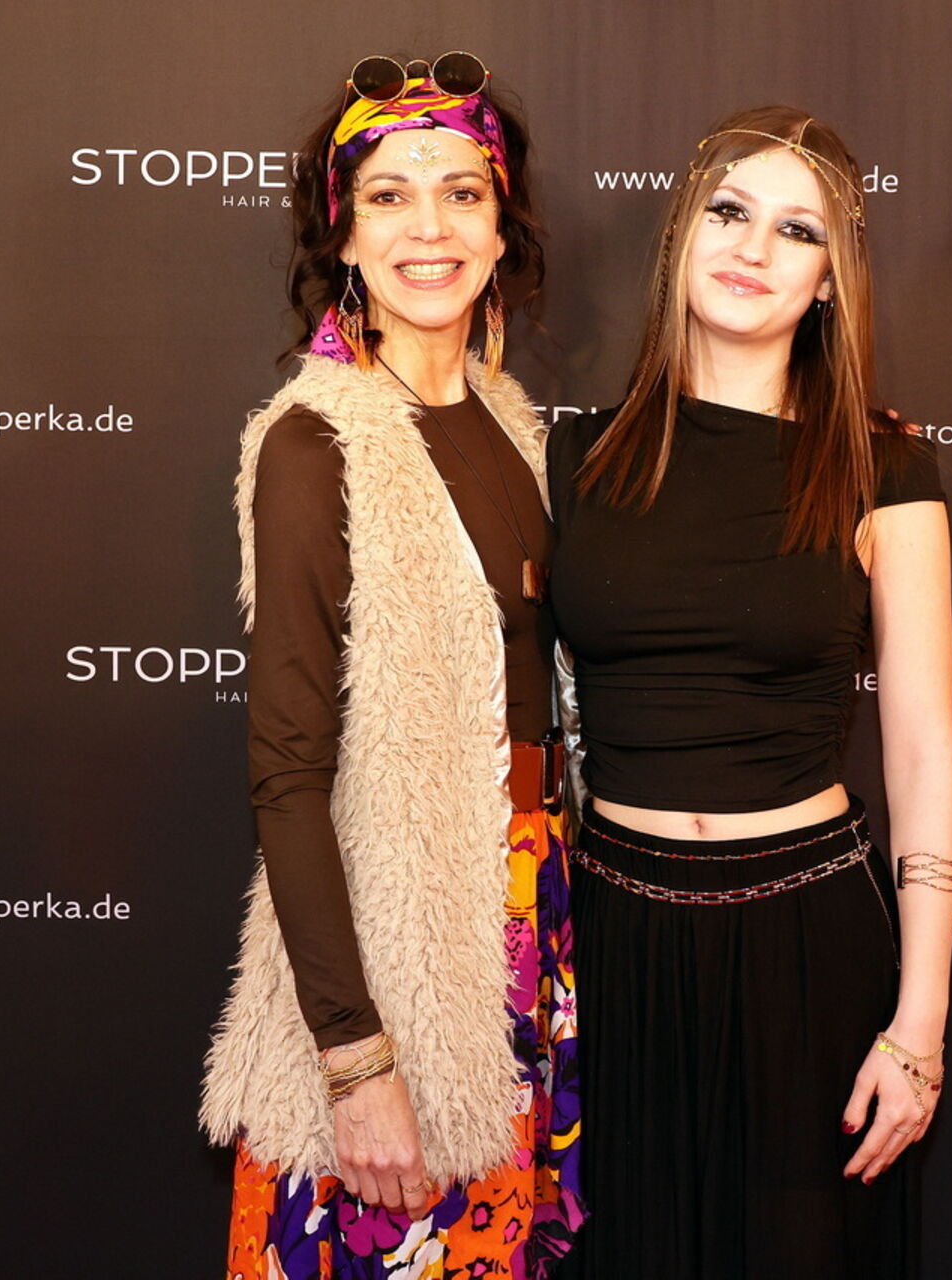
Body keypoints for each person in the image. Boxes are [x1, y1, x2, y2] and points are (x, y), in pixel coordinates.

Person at [546, 105, 952, 1279]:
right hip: (611, 944)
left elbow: (924, 750)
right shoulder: (569, 457)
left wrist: (920, 1026)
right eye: (729, 211)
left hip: (807, 946)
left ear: (831, 282)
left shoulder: (886, 465)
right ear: (682, 232)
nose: (753, 247)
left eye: (798, 230)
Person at [199, 53, 582, 1280]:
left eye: (462, 193)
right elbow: (287, 772)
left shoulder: (516, 425)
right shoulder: (315, 440)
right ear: (345, 235)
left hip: (527, 926)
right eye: (389, 196)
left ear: (501, 226)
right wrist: (356, 1058)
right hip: (391, 966)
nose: (430, 227)